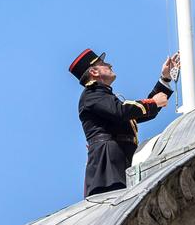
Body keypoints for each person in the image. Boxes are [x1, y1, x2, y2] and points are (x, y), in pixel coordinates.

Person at [69, 49, 179, 196]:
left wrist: (165, 79)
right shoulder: (92, 95)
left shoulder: (103, 97)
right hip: (108, 165)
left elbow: (135, 114)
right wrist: (153, 102)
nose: (110, 65)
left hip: (121, 158)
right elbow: (122, 111)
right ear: (94, 72)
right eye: (104, 63)